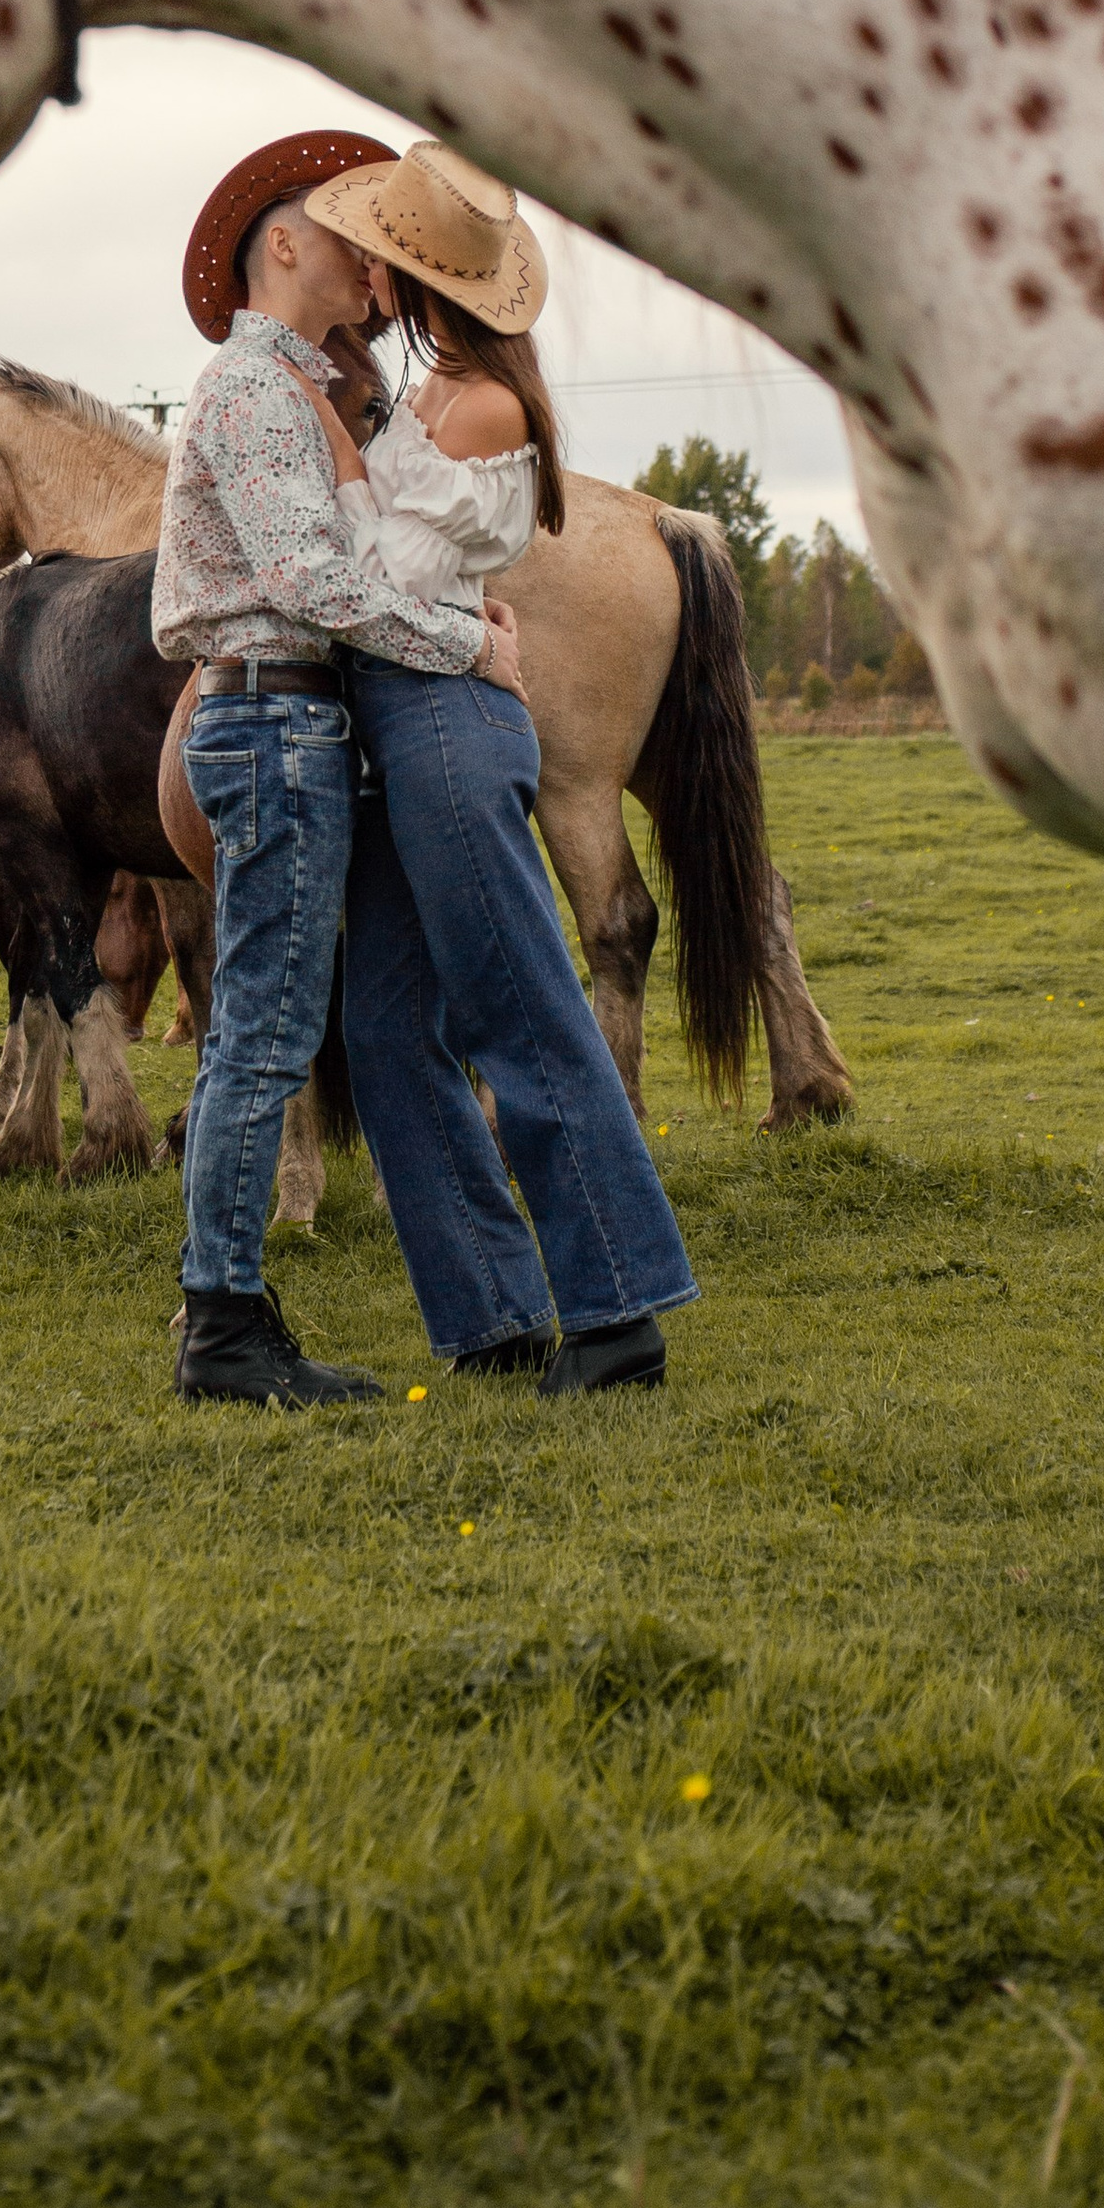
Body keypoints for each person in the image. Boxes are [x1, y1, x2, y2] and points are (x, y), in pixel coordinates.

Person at [298, 140, 698, 1393]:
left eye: (383, 258)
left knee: (516, 1006)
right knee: (381, 1024)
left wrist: (342, 449)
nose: (364, 269)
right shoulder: (432, 394)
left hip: (443, 722)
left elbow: (385, 583)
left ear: (425, 285)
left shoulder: (486, 408)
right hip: (406, 717)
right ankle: (490, 1313)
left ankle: (618, 1312)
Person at [153, 131, 529, 1408]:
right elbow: (314, 581)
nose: (368, 247)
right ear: (283, 245)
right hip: (274, 722)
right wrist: (468, 647)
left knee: (263, 1027)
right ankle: (224, 1326)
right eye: (340, 224)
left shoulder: (294, 386)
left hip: (283, 721)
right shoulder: (256, 393)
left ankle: (227, 1310)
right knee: (263, 1033)